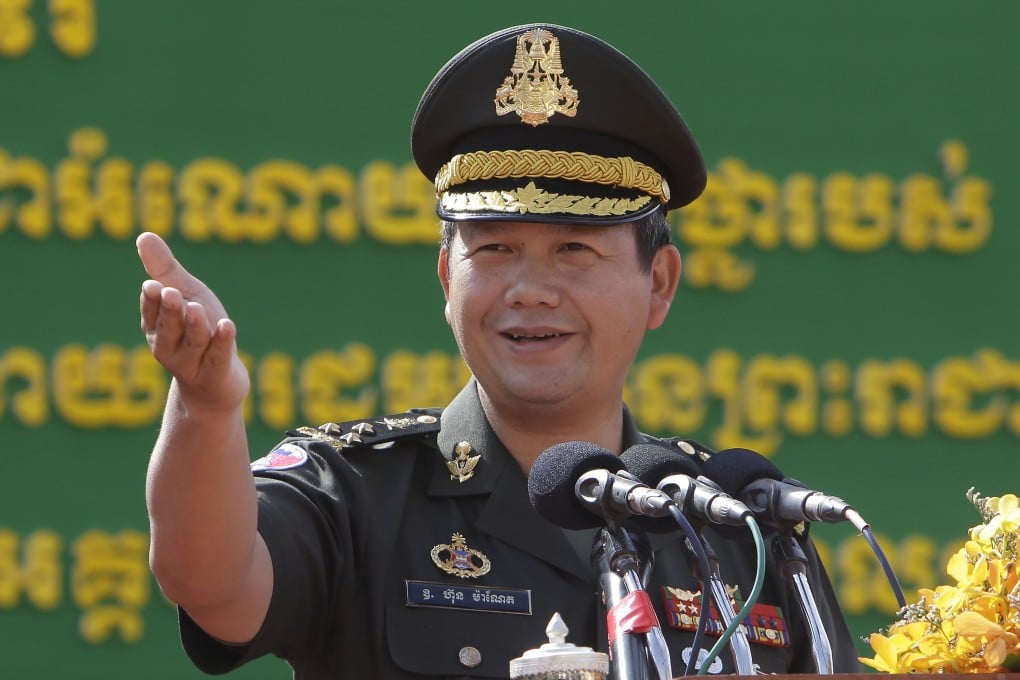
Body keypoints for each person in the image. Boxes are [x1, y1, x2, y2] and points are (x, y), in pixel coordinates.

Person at [138, 23, 862, 678]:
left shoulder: (739, 528)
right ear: (448, 276)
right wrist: (206, 408)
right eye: (496, 250)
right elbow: (211, 583)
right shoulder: (359, 494)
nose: (531, 290)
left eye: (574, 250)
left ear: (659, 285)